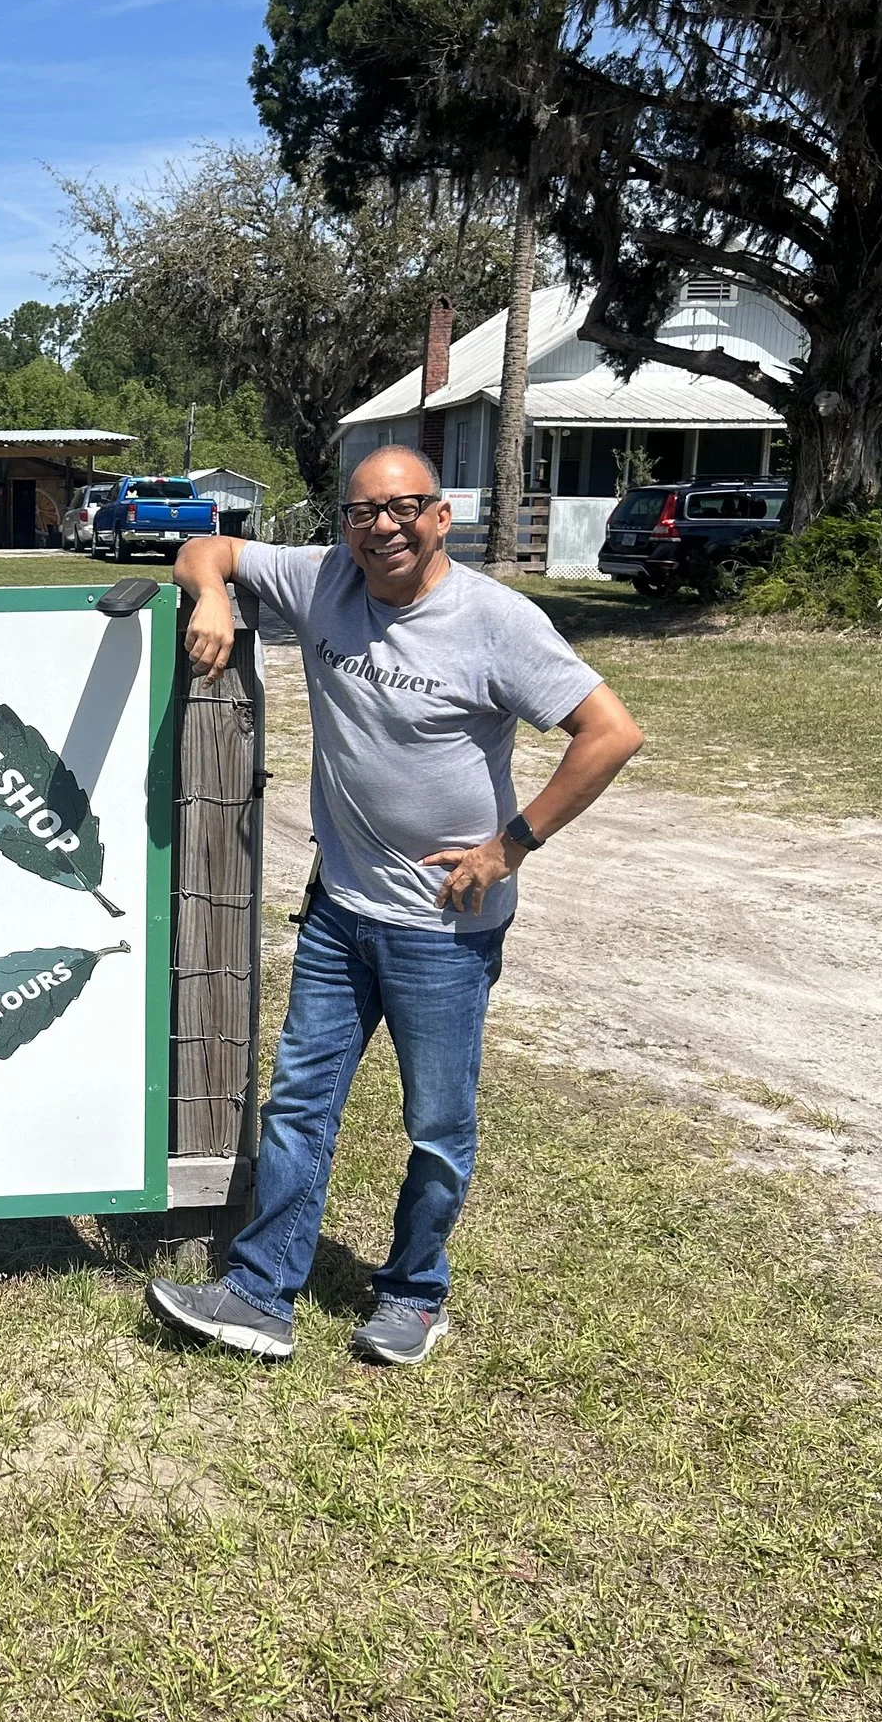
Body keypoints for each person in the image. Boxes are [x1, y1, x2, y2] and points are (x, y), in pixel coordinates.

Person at [146, 445, 643, 1367]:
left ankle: (415, 1293)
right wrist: (213, 593)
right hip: (340, 909)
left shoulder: (494, 620)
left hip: (444, 930)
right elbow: (203, 547)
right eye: (363, 511)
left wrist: (509, 845)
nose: (383, 526)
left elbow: (610, 733)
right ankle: (261, 1292)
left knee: (437, 1123)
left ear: (441, 515)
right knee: (299, 1102)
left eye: (404, 507)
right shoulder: (327, 578)